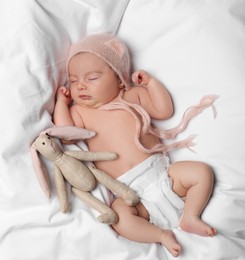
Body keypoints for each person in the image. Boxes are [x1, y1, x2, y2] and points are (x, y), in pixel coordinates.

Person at [53, 33, 217, 257]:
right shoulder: (80, 112)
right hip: (131, 195)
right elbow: (66, 135)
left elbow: (163, 110)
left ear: (119, 78)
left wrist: (152, 83)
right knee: (119, 217)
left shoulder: (132, 96)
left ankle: (191, 216)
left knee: (201, 172)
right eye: (73, 81)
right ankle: (160, 235)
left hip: (165, 177)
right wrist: (62, 103)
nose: (80, 86)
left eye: (91, 78)